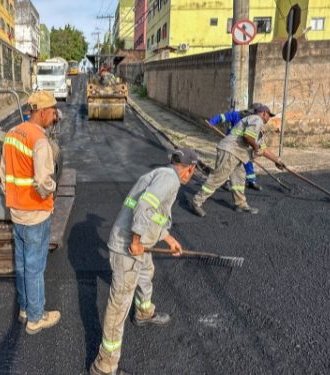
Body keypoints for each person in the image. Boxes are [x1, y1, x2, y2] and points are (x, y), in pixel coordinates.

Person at [90, 149, 198, 375]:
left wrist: (168, 239)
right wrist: (137, 240)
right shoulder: (170, 180)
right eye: (193, 171)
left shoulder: (160, 174)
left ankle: (143, 311)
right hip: (128, 247)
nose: (192, 174)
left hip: (138, 242)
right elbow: (144, 207)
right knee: (118, 305)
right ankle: (104, 365)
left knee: (147, 271)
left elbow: (154, 214)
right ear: (190, 168)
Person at [0, 91, 60, 335]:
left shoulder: (12, 134)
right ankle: (36, 318)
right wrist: (51, 189)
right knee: (35, 267)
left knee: (23, 264)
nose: (55, 116)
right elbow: (44, 182)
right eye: (53, 111)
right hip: (35, 214)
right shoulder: (39, 141)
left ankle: (25, 308)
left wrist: (13, 196)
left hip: (17, 211)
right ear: (43, 112)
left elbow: (3, 174)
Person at [189, 104, 285, 217]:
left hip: (238, 155)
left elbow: (263, 149)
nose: (269, 119)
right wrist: (255, 147)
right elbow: (247, 137)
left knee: (239, 179)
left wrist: (277, 161)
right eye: (269, 116)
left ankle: (240, 204)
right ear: (264, 113)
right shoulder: (256, 119)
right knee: (218, 178)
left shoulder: (257, 129)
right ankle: (196, 202)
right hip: (230, 151)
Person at [206, 106, 262, 191]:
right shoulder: (236, 115)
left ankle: (251, 181)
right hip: (232, 144)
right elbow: (222, 117)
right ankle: (226, 181)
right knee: (226, 163)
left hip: (244, 145)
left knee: (247, 162)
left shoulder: (254, 121)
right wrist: (212, 122)